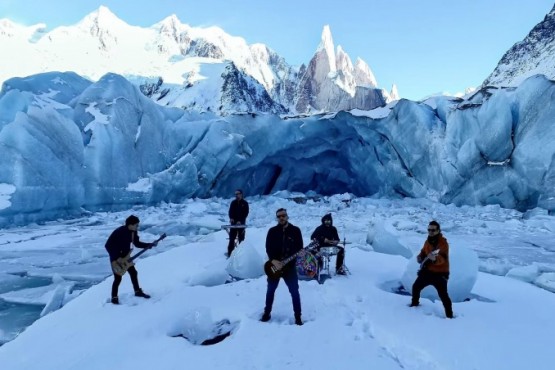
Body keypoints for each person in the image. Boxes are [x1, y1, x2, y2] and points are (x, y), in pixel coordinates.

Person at [261, 208, 304, 326]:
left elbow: (300, 247)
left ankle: (298, 316)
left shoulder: (295, 230)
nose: (281, 218)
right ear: (277, 218)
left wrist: (300, 254)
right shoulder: (272, 231)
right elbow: (268, 247)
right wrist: (273, 260)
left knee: (294, 292)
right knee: (270, 290)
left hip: (289, 267)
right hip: (274, 266)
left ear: (287, 216)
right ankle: (267, 313)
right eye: (279, 216)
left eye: (283, 215)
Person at [105, 215, 159, 305]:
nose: (137, 227)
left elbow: (137, 244)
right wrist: (117, 257)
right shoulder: (119, 231)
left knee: (133, 273)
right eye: (136, 225)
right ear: (130, 225)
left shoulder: (133, 232)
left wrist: (149, 245)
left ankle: (137, 291)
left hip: (126, 257)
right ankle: (114, 298)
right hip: (116, 260)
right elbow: (108, 245)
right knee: (118, 278)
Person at [410, 221, 454, 319]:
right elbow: (423, 252)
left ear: (438, 231)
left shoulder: (443, 243)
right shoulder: (428, 241)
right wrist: (420, 257)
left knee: (443, 296)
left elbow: (443, 259)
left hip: (440, 274)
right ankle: (414, 305)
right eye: (429, 230)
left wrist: (435, 259)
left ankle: (450, 316)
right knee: (416, 287)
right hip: (427, 272)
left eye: (433, 230)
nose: (430, 232)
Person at [227, 189, 249, 257]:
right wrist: (231, 218)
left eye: (238, 194)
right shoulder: (233, 203)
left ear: (241, 194)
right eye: (235, 194)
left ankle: (241, 255)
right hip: (233, 224)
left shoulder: (245, 203)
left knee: (241, 239)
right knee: (231, 239)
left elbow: (246, 213)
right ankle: (230, 254)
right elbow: (230, 211)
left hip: (241, 224)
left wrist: (241, 220)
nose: (236, 195)